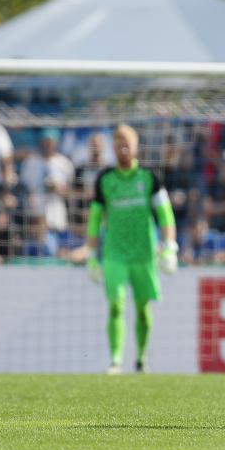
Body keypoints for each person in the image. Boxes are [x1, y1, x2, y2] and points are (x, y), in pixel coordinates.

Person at [85, 125, 179, 374]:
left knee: (142, 308)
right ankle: (115, 361)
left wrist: (169, 247)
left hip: (144, 252)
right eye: (117, 142)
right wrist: (92, 256)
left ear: (136, 146)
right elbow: (95, 219)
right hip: (114, 252)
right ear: (112, 147)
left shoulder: (150, 177)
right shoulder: (104, 179)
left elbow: (165, 215)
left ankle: (140, 358)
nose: (122, 146)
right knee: (115, 304)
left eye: (126, 141)